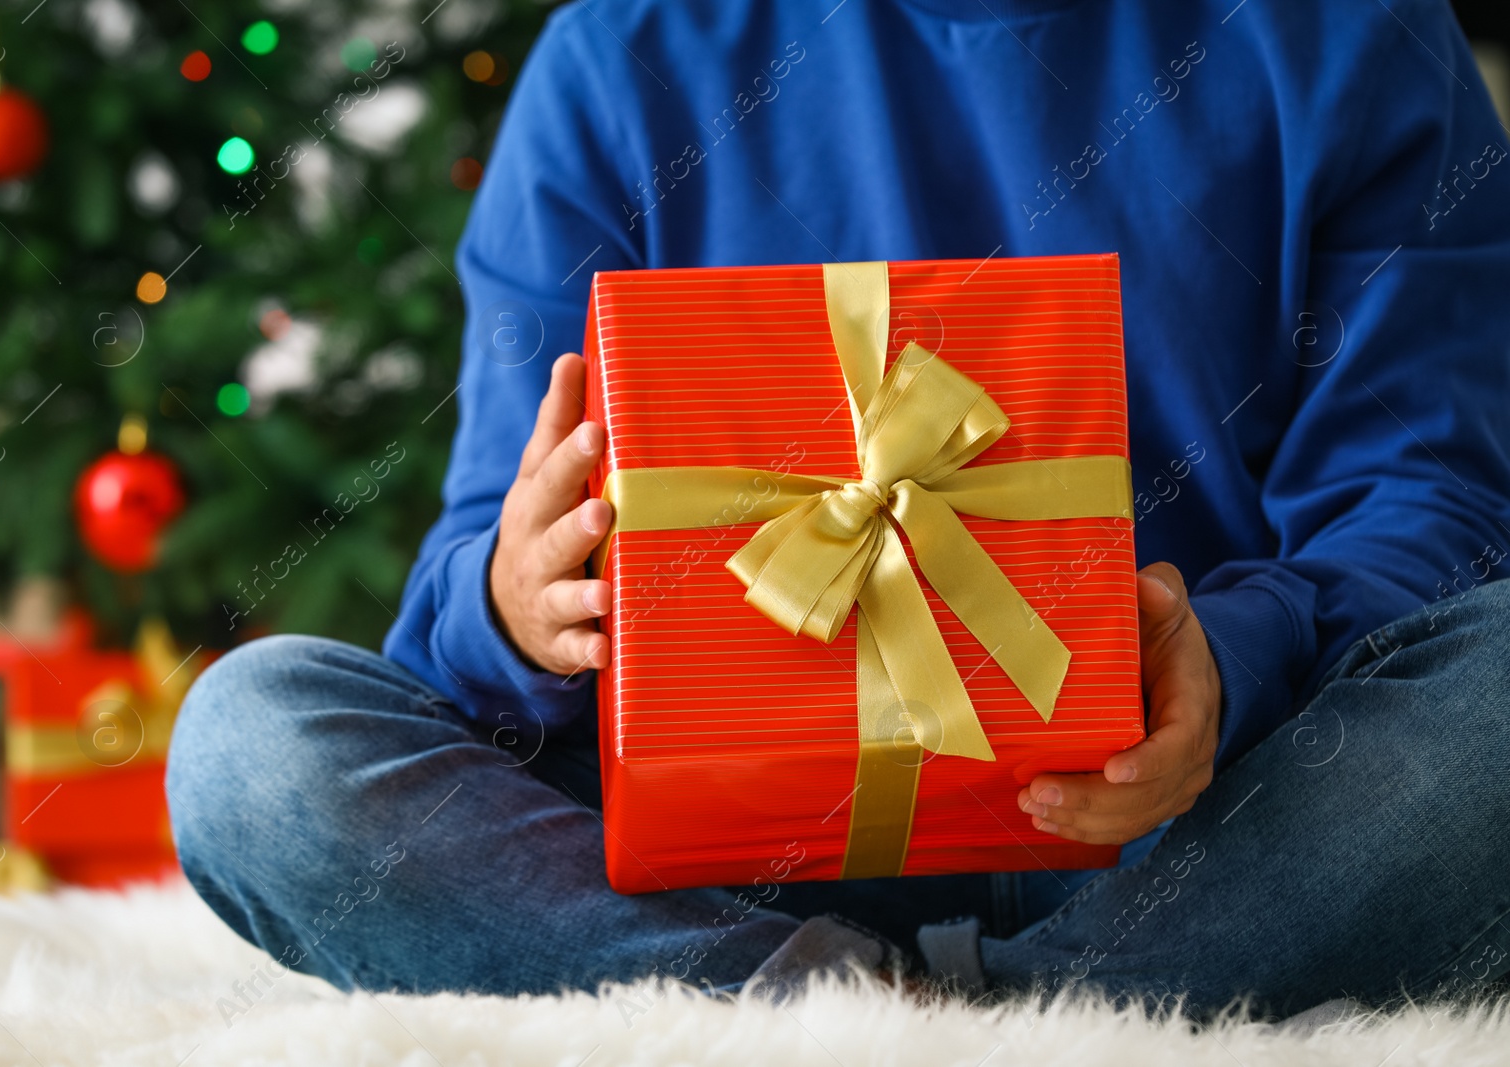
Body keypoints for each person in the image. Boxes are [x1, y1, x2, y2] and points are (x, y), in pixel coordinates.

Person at [167, 0, 1510, 1018]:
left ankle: (934, 1011)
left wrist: (1229, 654)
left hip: (1200, 827)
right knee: (252, 748)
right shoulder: (621, 55)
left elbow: (1435, 501)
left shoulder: (1354, 34)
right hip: (716, 863)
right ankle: (895, 1012)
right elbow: (468, 594)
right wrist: (518, 598)